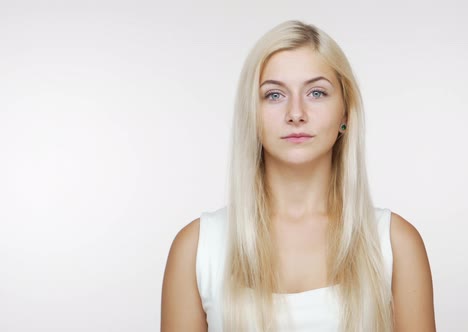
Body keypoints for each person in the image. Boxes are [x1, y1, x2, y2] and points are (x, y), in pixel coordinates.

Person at [161, 20, 435, 332]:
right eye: (274, 95)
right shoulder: (197, 249)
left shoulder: (395, 244)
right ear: (251, 114)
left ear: (345, 113)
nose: (296, 113)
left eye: (317, 92)